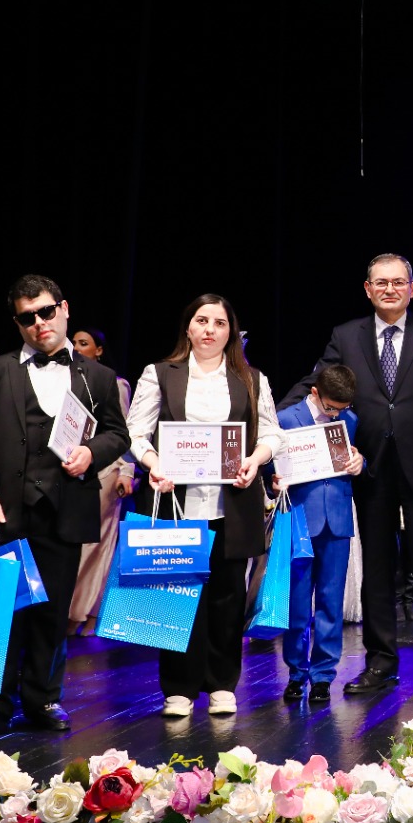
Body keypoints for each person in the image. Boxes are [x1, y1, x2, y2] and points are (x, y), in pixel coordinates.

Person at [278, 254, 413, 696]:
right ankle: (380, 662)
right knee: (378, 569)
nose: (389, 289)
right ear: (367, 289)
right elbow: (316, 382)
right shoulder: (346, 335)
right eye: (381, 283)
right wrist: (274, 421)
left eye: (398, 282)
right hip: (368, 466)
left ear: (412, 289)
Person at [0, 275, 130, 734]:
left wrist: (92, 453)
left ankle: (43, 698)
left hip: (64, 506)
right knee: (1, 609)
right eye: (27, 317)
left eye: (46, 312)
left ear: (64, 309)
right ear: (17, 323)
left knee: (53, 610)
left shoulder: (97, 377)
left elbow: (117, 434)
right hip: (2, 508)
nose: (39, 323)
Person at [128, 294, 280, 717]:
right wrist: (154, 463)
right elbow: (135, 432)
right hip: (174, 502)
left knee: (228, 597)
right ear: (188, 327)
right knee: (176, 594)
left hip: (231, 502)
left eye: (220, 322)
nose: (210, 329)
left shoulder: (251, 378)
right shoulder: (160, 374)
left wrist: (255, 460)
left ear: (231, 332)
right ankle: (178, 687)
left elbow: (272, 433)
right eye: (202, 320)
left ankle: (222, 684)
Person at [275, 363, 364, 706]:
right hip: (300, 518)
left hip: (337, 520)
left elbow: (360, 460)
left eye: (343, 408)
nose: (336, 414)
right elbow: (269, 468)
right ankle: (296, 673)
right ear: (314, 392)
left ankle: (324, 675)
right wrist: (273, 480)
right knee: (298, 603)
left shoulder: (350, 421)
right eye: (331, 407)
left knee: (331, 601)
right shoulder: (286, 419)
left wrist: (360, 463)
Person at [68, 327, 135, 636]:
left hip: (106, 473)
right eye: (74, 342)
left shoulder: (114, 384)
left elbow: (122, 432)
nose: (77, 347)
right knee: (74, 546)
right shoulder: (65, 380)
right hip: (72, 472)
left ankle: (87, 613)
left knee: (95, 547)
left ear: (99, 350)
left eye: (84, 343)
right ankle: (72, 611)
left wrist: (127, 471)